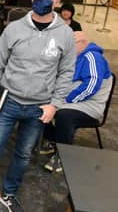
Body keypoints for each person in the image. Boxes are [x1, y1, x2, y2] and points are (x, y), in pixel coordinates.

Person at [0, 0, 76, 212]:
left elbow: (66, 72)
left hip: (39, 106)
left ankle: (9, 194)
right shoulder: (14, 28)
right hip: (8, 100)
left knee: (24, 155)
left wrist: (54, 104)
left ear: (57, 2)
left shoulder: (65, 35)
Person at [42, 31, 112, 171]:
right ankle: (53, 140)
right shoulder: (74, 56)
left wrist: (64, 101)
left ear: (82, 43)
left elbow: (90, 87)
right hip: (72, 101)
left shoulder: (93, 57)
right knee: (39, 104)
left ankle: (63, 156)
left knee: (64, 115)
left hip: (89, 105)